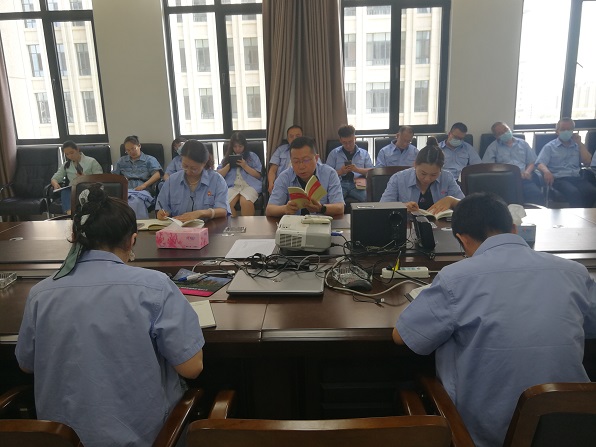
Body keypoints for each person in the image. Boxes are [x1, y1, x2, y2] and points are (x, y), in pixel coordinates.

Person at [392, 192, 596, 447]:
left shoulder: (455, 278)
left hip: (483, 438)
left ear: (462, 239)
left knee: (409, 386)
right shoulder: (575, 272)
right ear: (514, 229)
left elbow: (402, 337)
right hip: (572, 430)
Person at [15, 184, 204, 447]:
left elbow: (26, 364)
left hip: (62, 441)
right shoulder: (155, 287)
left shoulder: (40, 294)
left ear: (75, 237)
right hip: (144, 440)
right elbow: (192, 367)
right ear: (132, 240)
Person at [266, 136, 344, 217]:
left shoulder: (329, 174)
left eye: (306, 160)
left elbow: (340, 207)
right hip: (294, 223)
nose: (301, 166)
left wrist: (321, 208)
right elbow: (269, 209)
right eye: (296, 161)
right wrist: (285, 209)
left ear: (316, 158)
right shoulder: (285, 177)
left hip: (321, 222)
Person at [157, 139, 230, 221]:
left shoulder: (216, 180)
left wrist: (201, 213)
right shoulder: (172, 181)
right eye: (185, 166)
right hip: (178, 227)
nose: (188, 171)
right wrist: (162, 213)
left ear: (204, 163)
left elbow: (223, 210)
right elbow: (163, 207)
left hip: (208, 227)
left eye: (194, 168)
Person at [380, 144, 464, 214]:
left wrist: (452, 201)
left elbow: (466, 206)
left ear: (441, 170)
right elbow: (382, 207)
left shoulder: (447, 177)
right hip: (408, 225)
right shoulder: (398, 178)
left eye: (434, 175)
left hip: (440, 226)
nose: (427, 179)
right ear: (415, 165)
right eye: (423, 173)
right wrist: (403, 206)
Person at [535, 118, 596, 207]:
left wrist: (579, 144)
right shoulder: (550, 147)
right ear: (557, 131)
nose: (566, 132)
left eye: (569, 129)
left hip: (576, 177)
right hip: (559, 179)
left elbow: (587, 162)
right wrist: (546, 171)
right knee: (574, 193)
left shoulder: (577, 145)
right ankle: (576, 215)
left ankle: (586, 213)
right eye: (563, 129)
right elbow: (540, 163)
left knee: (592, 192)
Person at [482, 121, 545, 205]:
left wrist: (527, 172)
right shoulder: (493, 147)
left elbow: (532, 162)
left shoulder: (523, 144)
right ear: (496, 137)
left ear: (509, 129)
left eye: (506, 130)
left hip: (523, 179)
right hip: (504, 181)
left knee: (537, 195)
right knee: (505, 201)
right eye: (500, 133)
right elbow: (487, 167)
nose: (505, 133)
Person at [112, 135, 163, 219]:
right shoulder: (121, 161)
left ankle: (138, 224)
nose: (131, 152)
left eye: (133, 148)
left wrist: (144, 185)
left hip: (142, 188)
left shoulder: (149, 159)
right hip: (125, 188)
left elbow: (157, 174)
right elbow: (114, 176)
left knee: (134, 201)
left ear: (139, 146)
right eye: (128, 150)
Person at [217, 132, 262, 217]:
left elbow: (258, 175)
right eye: (235, 146)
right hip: (232, 186)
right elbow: (218, 176)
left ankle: (247, 225)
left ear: (244, 146)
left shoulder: (252, 156)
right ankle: (233, 225)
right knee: (226, 204)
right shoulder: (226, 158)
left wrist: (245, 166)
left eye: (240, 146)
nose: (237, 149)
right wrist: (228, 166)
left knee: (245, 202)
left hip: (249, 185)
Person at [50, 140, 103, 214]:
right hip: (74, 190)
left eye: (72, 153)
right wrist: (55, 183)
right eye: (67, 154)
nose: (70, 156)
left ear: (77, 149)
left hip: (89, 188)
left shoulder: (91, 161)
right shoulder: (66, 165)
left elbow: (100, 178)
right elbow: (55, 178)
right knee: (65, 191)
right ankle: (70, 215)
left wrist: (85, 178)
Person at [326, 124, 373, 203]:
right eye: (344, 142)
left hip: (358, 184)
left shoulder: (364, 153)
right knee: (333, 202)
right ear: (340, 140)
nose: (348, 145)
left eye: (350, 142)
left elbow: (372, 172)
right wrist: (341, 172)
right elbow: (327, 174)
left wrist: (357, 170)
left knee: (369, 200)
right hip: (340, 184)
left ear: (355, 139)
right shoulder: (334, 154)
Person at [268, 125, 303, 193]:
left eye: (297, 136)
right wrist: (271, 183)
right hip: (282, 184)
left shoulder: (309, 150)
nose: (294, 139)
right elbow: (272, 170)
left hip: (301, 183)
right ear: (287, 139)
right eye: (291, 136)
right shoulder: (281, 150)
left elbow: (317, 167)